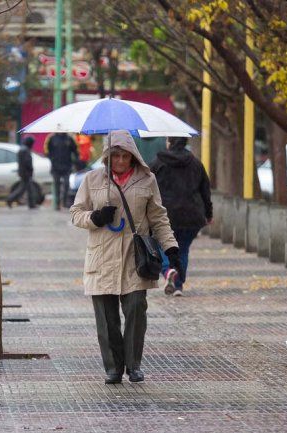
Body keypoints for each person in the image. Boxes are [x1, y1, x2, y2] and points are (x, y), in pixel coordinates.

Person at [70, 130, 181, 385]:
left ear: (133, 157)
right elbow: (76, 213)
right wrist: (94, 218)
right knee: (106, 319)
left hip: (135, 257)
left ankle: (134, 365)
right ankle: (112, 368)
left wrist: (171, 248)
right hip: (102, 257)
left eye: (125, 156)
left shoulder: (147, 179)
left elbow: (158, 217)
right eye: (115, 155)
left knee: (135, 310)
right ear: (107, 157)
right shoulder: (93, 179)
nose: (120, 161)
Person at [149, 137, 213, 297]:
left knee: (161, 244)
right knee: (182, 249)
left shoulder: (158, 162)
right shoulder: (196, 163)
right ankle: (178, 285)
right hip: (192, 216)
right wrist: (208, 213)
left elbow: (146, 186)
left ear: (169, 142)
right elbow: (205, 190)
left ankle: (167, 270)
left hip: (165, 215)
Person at [44, 132, 78, 210]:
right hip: (56, 167)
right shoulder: (51, 138)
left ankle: (64, 202)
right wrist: (52, 159)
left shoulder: (69, 138)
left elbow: (75, 150)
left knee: (66, 184)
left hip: (67, 166)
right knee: (57, 186)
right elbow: (46, 151)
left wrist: (75, 161)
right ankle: (57, 204)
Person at [6, 136, 37, 209]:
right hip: (26, 173)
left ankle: (31, 204)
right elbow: (27, 162)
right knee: (23, 189)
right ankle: (10, 199)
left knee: (28, 189)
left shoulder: (23, 149)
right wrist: (30, 170)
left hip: (24, 172)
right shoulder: (25, 150)